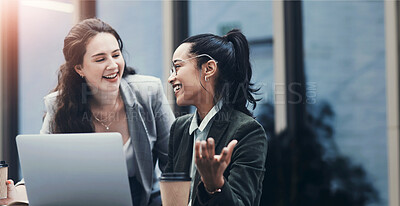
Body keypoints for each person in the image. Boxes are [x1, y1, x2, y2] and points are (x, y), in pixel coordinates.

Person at [0, 18, 175, 206]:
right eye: (100, 59)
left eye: (116, 55)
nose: (113, 65)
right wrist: (14, 193)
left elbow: (174, 162)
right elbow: (41, 175)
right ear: (79, 69)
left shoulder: (149, 93)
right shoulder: (59, 105)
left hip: (143, 201)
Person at [165, 29, 268, 206]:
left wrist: (214, 185)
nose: (170, 78)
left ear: (209, 68)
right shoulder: (179, 128)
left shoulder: (248, 131)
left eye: (177, 67)